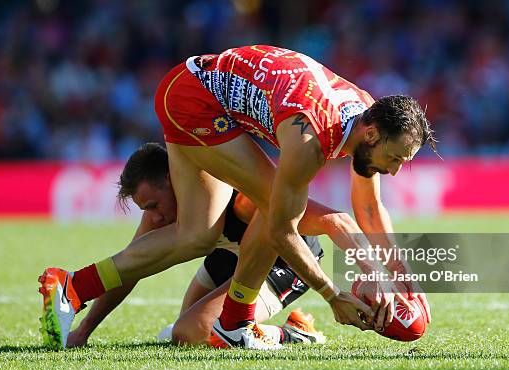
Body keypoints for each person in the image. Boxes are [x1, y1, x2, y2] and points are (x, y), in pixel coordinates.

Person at [39, 45, 435, 350]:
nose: (395, 170)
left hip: (186, 87)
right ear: (370, 135)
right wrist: (333, 295)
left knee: (196, 234)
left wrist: (402, 281)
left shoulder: (365, 112)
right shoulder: (309, 139)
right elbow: (283, 230)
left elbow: (367, 207)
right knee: (272, 210)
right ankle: (235, 324)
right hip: (196, 102)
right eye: (395, 158)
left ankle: (73, 287)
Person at [66, 142, 329, 347]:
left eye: (154, 206)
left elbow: (281, 219)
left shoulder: (222, 191)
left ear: (174, 180)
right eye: (147, 209)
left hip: (280, 260)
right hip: (231, 256)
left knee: (191, 333)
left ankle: (293, 333)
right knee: (179, 331)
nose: (154, 217)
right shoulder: (159, 214)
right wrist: (84, 330)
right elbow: (130, 269)